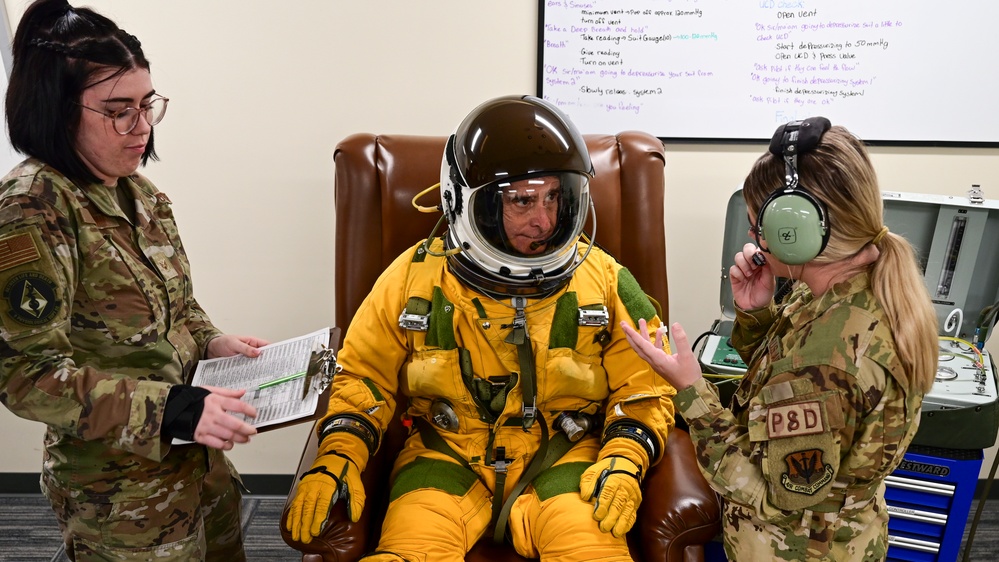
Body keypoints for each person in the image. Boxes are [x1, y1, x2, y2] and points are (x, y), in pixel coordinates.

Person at [285, 95, 676, 561]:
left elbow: (647, 384)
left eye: (554, 197)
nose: (545, 221)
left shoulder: (606, 281)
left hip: (565, 459)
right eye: (522, 202)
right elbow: (362, 377)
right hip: (444, 456)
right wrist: (339, 454)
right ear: (468, 204)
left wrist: (624, 458)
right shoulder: (413, 278)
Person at [0, 1, 269, 560]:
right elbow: (23, 372)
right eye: (119, 110)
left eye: (147, 105)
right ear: (57, 109)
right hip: (119, 494)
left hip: (195, 463)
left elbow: (179, 307)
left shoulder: (137, 192)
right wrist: (169, 409)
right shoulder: (33, 209)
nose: (142, 127)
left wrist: (213, 340)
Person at [622, 117, 938, 561]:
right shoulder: (853, 290)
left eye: (758, 228)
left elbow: (777, 498)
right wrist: (755, 316)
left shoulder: (830, 357)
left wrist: (690, 391)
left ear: (799, 232)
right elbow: (784, 382)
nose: (755, 240)